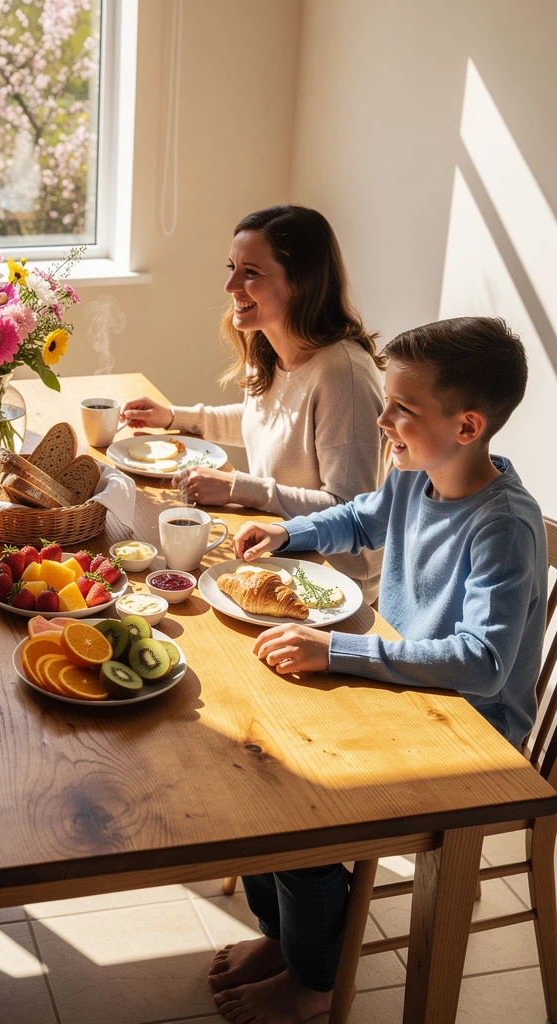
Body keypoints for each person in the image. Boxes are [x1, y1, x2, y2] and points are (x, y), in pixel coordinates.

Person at [211, 317, 544, 1024]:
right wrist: (287, 530)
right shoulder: (413, 477)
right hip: (406, 691)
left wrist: (339, 652)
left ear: (467, 426)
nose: (383, 419)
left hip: (472, 731)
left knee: (302, 813)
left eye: (402, 409)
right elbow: (362, 516)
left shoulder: (503, 525)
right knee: (264, 762)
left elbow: (482, 664)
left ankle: (315, 982)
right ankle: (285, 940)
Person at [121, 205, 386, 601]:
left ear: (301, 283)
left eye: (250, 273)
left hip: (333, 584)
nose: (230, 286)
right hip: (274, 551)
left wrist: (238, 487)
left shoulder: (342, 374)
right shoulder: (272, 347)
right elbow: (264, 422)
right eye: (231, 267)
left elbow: (347, 509)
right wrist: (175, 416)